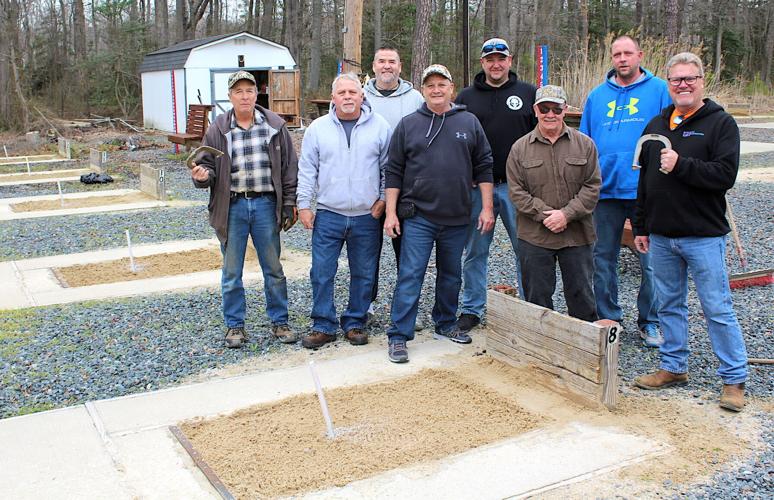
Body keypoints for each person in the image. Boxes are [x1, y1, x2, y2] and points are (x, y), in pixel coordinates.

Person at [632, 52, 748, 412]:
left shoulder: (720, 124)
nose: (683, 85)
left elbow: (724, 176)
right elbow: (645, 181)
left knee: (717, 307)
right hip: (662, 236)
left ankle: (734, 379)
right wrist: (641, 225)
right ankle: (673, 367)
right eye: (676, 79)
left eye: (689, 79)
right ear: (668, 84)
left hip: (703, 235)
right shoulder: (656, 124)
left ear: (701, 81)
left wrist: (681, 165)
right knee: (669, 304)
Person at [384, 64, 494, 363]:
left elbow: (484, 165)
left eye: (441, 84)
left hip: (457, 216)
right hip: (419, 216)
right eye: (430, 85)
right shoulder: (408, 125)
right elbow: (393, 171)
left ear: (451, 88)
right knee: (410, 275)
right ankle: (398, 335)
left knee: (451, 275)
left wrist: (486, 207)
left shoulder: (469, 122)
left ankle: (445, 323)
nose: (436, 89)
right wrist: (391, 213)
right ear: (423, 90)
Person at [191, 70, 299, 348]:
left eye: (249, 91)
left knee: (273, 269)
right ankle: (235, 326)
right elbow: (205, 166)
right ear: (230, 96)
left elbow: (289, 168)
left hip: (266, 205)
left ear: (256, 94)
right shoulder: (217, 129)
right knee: (231, 272)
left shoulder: (275, 126)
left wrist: (289, 203)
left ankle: (280, 321)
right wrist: (201, 176)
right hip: (232, 206)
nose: (244, 96)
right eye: (238, 91)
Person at [580, 35, 672, 348]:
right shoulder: (597, 96)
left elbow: (671, 135)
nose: (622, 59)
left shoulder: (659, 90)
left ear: (639, 55)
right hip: (605, 192)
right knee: (602, 258)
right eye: (617, 54)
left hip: (645, 191)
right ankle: (609, 318)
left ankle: (650, 322)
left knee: (651, 260)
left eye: (628, 53)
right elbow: (585, 144)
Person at [297, 73, 392, 349]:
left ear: (362, 96)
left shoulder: (380, 127)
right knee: (321, 271)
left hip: (367, 215)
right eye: (342, 93)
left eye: (353, 92)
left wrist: (383, 199)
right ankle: (323, 324)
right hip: (329, 213)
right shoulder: (318, 129)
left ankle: (355, 321)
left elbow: (388, 168)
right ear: (333, 98)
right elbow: (307, 169)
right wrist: (304, 204)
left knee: (364, 272)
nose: (348, 97)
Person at [455, 37, 537, 332]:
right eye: (490, 59)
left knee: (525, 250)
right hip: (479, 188)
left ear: (509, 61)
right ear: (482, 63)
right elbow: (456, 139)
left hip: (518, 188)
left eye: (501, 58)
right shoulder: (466, 97)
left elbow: (540, 137)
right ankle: (472, 307)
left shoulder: (528, 93)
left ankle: (530, 308)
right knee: (475, 250)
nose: (496, 64)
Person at [506, 85, 601, 321]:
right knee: (537, 300)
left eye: (556, 109)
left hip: (577, 235)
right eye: (544, 108)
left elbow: (592, 186)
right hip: (535, 237)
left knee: (582, 298)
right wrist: (547, 215)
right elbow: (516, 192)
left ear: (565, 109)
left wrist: (566, 215)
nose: (550, 114)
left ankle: (583, 343)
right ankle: (540, 344)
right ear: (535, 110)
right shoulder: (519, 149)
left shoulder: (585, 144)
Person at [363, 46, 425, 320]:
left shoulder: (415, 99)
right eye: (381, 61)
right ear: (373, 66)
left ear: (400, 66)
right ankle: (365, 304)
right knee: (367, 252)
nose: (386, 66)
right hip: (369, 189)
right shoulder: (360, 96)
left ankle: (407, 309)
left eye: (392, 61)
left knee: (408, 254)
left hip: (408, 189)